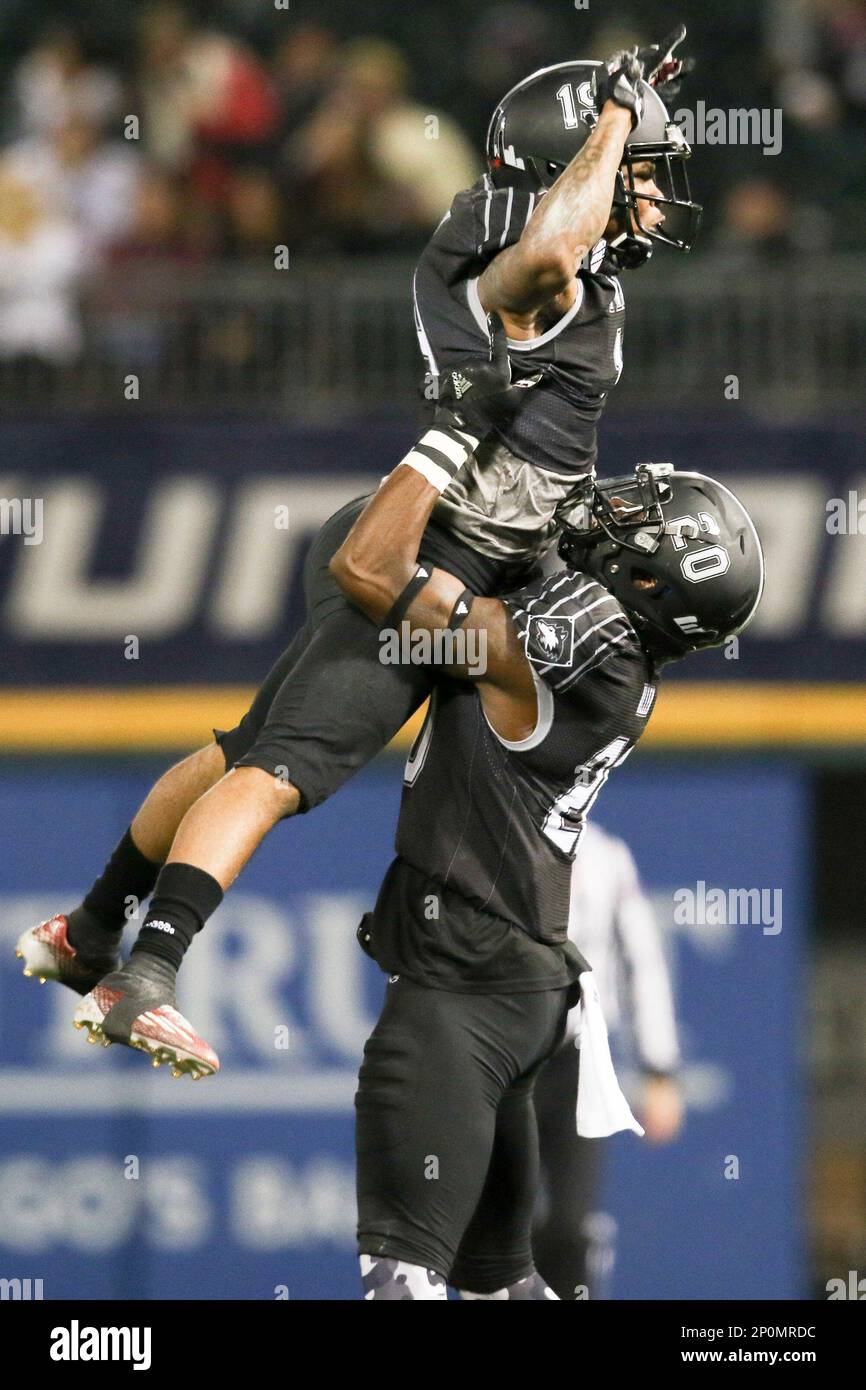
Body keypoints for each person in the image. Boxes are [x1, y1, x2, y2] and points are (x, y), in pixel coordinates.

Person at [15, 35, 701, 1078]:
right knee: (282, 772)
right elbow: (548, 256)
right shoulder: (518, 251)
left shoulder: (566, 266)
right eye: (634, 171)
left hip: (467, 542)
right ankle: (144, 973)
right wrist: (610, 122)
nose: (646, 192)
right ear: (573, 163)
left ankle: (92, 926)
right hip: (434, 548)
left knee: (241, 751)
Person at [320, 337, 762, 1299]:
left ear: (649, 586)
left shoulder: (574, 643)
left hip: (464, 983)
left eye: (644, 526)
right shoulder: (613, 651)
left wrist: (450, 434)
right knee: (507, 1285)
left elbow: (367, 565)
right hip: (517, 984)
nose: (618, 511)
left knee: (400, 1282)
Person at [533, 820, 682, 1300]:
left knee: (574, 1222)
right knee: (500, 1218)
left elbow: (643, 962)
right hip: (504, 1059)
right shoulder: (494, 840)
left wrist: (658, 1069)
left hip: (579, 1061)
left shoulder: (605, 855)